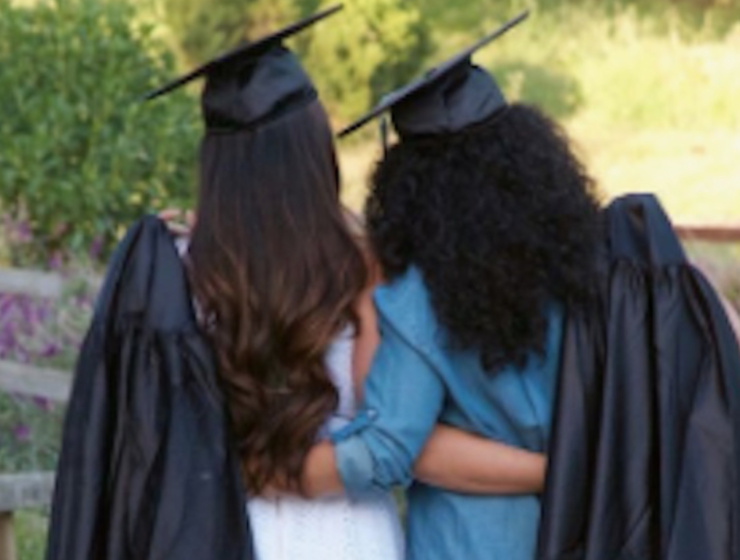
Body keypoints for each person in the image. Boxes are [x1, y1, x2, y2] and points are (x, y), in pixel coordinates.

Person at [152, 7, 549, 560]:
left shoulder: (176, 268)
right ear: (317, 151)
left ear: (215, 163)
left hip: (223, 529)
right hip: (349, 533)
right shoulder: (363, 265)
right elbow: (386, 427)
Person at [286, 13, 605, 560]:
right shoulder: (592, 262)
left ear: (407, 187)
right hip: (594, 529)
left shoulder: (421, 298)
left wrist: (280, 473)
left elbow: (388, 445)